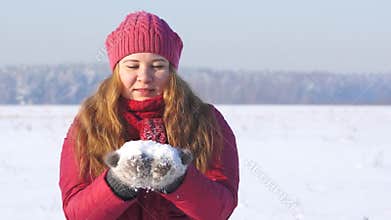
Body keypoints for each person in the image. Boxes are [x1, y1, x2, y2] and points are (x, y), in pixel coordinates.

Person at [59, 11, 239, 220]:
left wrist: (178, 179)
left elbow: (220, 210)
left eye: (157, 66)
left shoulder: (207, 121)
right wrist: (118, 182)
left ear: (172, 71)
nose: (144, 77)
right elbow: (76, 214)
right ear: (117, 70)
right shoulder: (90, 123)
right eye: (132, 66)